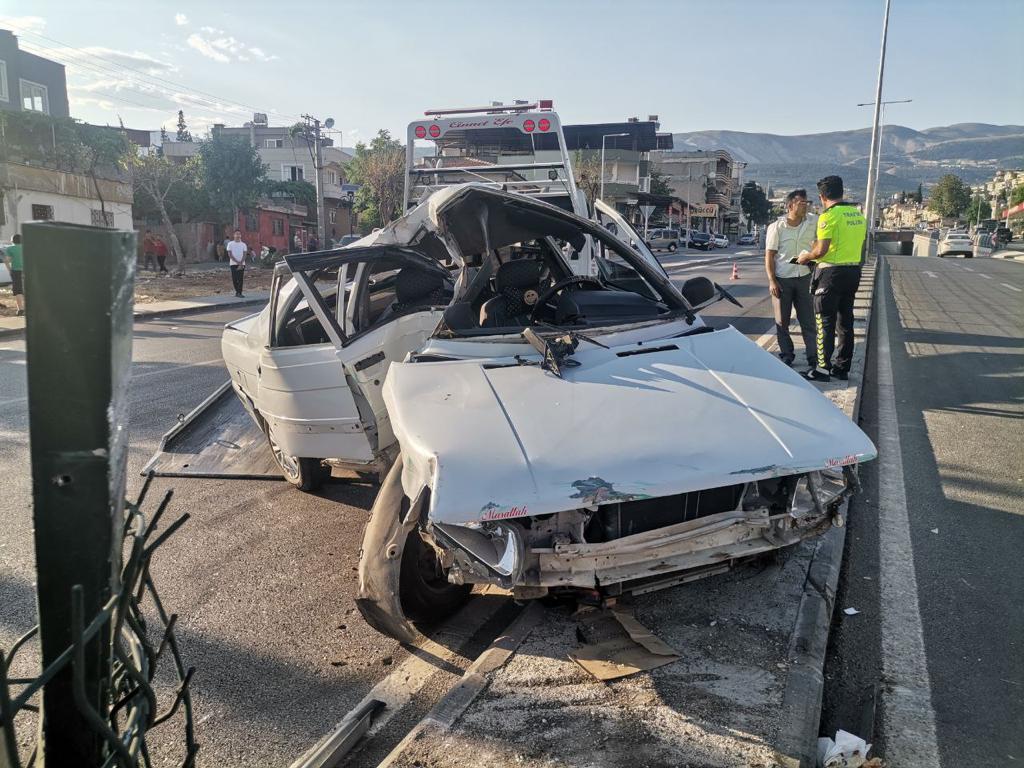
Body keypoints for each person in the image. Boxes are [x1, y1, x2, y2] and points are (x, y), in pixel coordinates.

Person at [797, 175, 867, 382]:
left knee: (824, 322)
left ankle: (822, 369)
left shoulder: (828, 217)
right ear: (841, 192)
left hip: (830, 274)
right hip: (853, 272)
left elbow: (821, 250)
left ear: (822, 197)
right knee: (845, 323)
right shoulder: (857, 215)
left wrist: (806, 256)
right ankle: (842, 368)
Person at [764, 189, 817, 368]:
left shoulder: (813, 222)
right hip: (783, 279)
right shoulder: (776, 228)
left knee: (808, 320)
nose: (805, 206)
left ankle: (813, 357)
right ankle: (787, 354)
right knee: (782, 321)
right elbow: (770, 256)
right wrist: (772, 280)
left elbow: (821, 242)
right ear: (790, 205)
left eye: (807, 203)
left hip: (804, 278)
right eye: (802, 203)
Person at [4, 234, 24, 316]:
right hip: (27, 271)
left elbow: (6, 261)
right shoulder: (27, 247)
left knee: (18, 290)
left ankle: (20, 309)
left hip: (16, 272)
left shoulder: (10, 249)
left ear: (12, 241)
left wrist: (10, 270)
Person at [226, 229, 249, 298]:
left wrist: (241, 263)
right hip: (233, 264)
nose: (238, 235)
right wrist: (237, 262)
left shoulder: (243, 244)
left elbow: (245, 254)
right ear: (234, 235)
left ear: (240, 235)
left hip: (242, 264)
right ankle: (237, 292)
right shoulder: (230, 244)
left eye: (239, 234)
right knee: (234, 278)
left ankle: (240, 292)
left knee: (240, 278)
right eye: (236, 234)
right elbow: (230, 254)